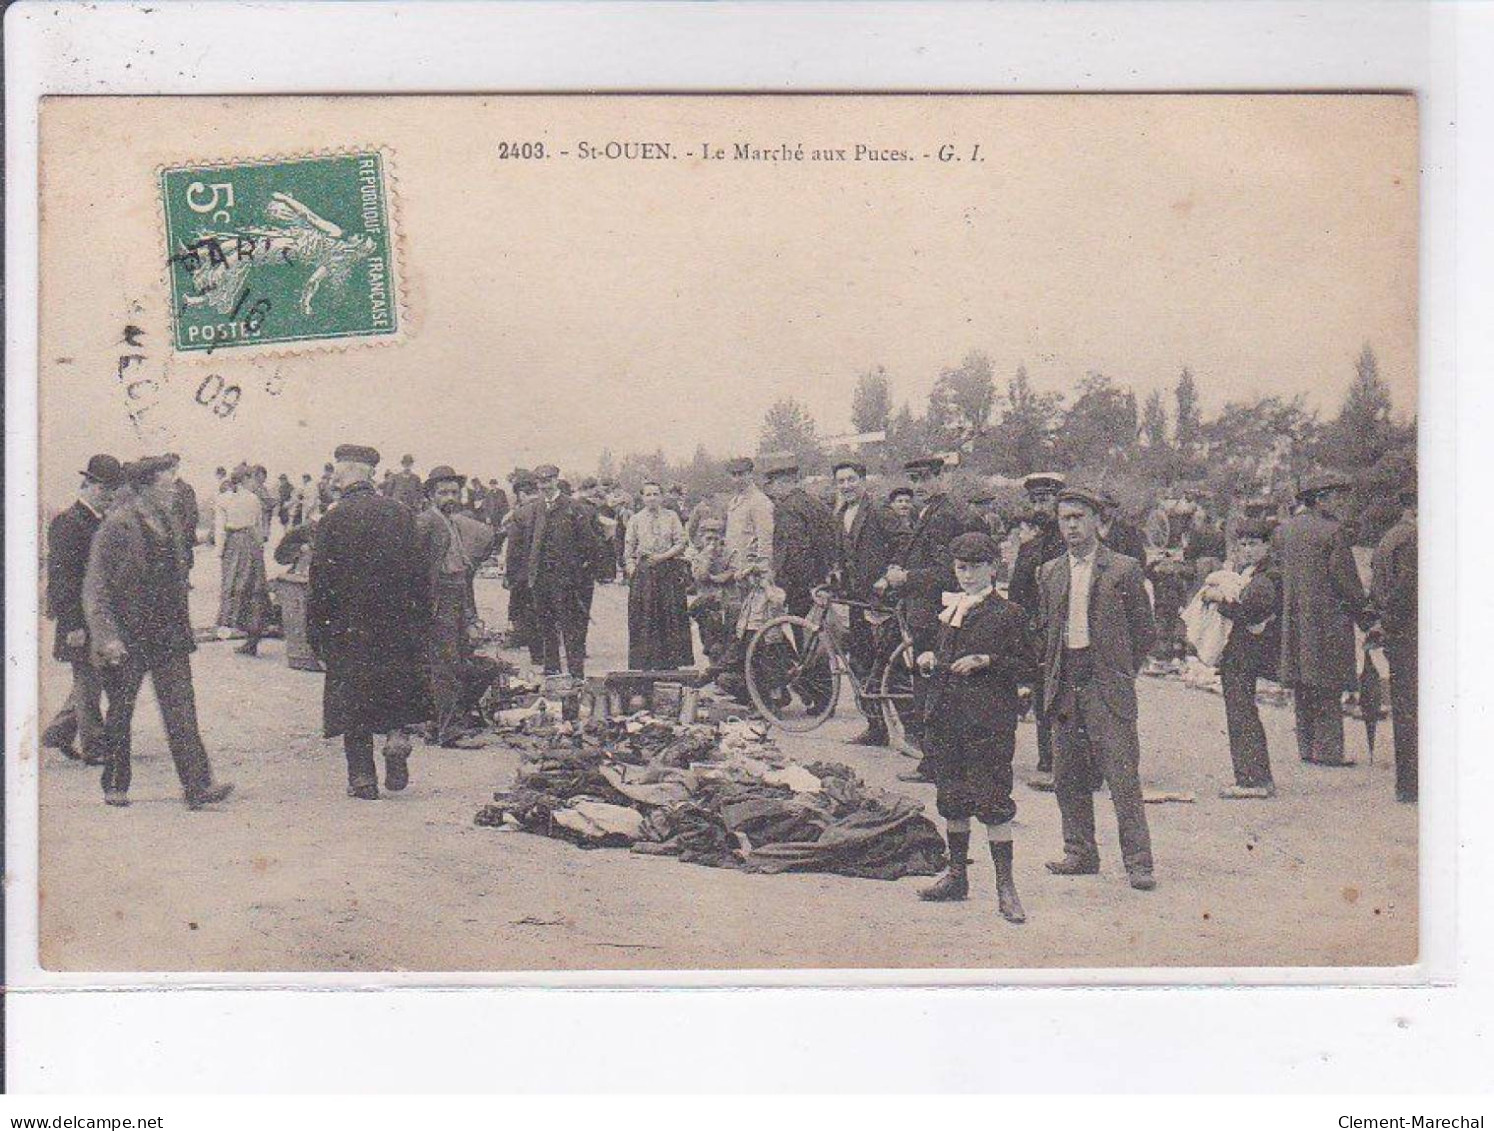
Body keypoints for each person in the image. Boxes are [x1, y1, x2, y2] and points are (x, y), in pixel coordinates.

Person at [83, 456, 234, 810]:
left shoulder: (170, 520)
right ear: (146, 487)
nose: (174, 488)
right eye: (168, 482)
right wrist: (107, 637)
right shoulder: (116, 525)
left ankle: (198, 786)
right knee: (121, 710)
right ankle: (115, 783)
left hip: (168, 633)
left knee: (182, 710)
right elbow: (96, 587)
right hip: (129, 634)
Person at [1037, 486, 1157, 891]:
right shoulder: (1050, 572)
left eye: (1079, 517)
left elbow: (1144, 632)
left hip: (1106, 684)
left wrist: (1120, 671)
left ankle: (1139, 862)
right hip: (1065, 683)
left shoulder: (1123, 569)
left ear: (1097, 521)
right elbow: (1046, 633)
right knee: (1067, 773)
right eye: (1064, 518)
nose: (1071, 526)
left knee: (1122, 775)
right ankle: (1079, 853)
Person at [915, 532, 1036, 921]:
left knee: (993, 801)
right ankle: (956, 876)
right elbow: (940, 652)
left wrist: (987, 659)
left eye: (975, 568)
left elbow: (1027, 665)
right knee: (952, 796)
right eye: (960, 568)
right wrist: (930, 656)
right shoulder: (950, 610)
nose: (966, 576)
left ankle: (1006, 887)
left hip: (987, 721)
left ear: (993, 568)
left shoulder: (1009, 614)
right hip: (948, 717)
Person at [307, 445, 427, 800]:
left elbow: (320, 584)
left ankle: (362, 777)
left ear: (346, 474)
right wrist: (419, 621)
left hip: (348, 625)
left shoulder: (332, 519)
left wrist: (317, 634)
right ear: (371, 474)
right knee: (395, 686)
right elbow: (420, 574)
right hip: (395, 621)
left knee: (352, 698)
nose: (333, 478)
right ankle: (395, 739)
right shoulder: (400, 513)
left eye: (336, 472)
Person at [882, 454, 986, 778]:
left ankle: (935, 764)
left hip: (938, 612)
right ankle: (939, 760)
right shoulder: (930, 511)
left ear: (941, 477)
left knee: (933, 690)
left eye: (925, 479)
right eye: (914, 480)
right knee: (932, 688)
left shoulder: (945, 515)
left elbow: (947, 572)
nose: (919, 486)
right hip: (930, 610)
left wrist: (906, 578)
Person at [1275, 472, 1372, 767]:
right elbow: (1346, 582)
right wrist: (1367, 618)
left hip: (1294, 619)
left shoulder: (1285, 530)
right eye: (1335, 497)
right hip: (1327, 621)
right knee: (1328, 685)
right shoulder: (1332, 532)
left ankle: (1306, 747)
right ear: (1319, 500)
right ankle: (1329, 751)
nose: (1339, 503)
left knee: (1304, 683)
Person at [41, 454, 123, 765]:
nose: (109, 497)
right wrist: (73, 622)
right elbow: (63, 578)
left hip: (98, 615)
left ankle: (59, 731)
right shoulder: (68, 522)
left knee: (95, 677)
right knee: (89, 681)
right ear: (87, 485)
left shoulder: (99, 522)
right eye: (105, 490)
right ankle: (95, 747)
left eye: (113, 492)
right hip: (79, 617)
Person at [1204, 518, 1281, 799]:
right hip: (1241, 650)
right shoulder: (1251, 572)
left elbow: (1250, 611)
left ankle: (1253, 780)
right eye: (1243, 544)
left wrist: (1218, 601)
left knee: (1241, 713)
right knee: (1241, 712)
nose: (1247, 549)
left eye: (1254, 544)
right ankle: (1253, 776)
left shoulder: (1267, 576)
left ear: (1266, 546)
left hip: (1247, 651)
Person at [415, 466, 488, 748]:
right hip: (440, 600)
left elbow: (463, 570)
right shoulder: (426, 522)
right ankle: (450, 731)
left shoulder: (453, 522)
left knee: (455, 662)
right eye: (443, 492)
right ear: (431, 495)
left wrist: (470, 613)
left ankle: (438, 724)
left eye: (454, 492)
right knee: (445, 665)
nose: (449, 497)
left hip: (456, 595)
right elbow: (418, 569)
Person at [506, 464, 597, 680]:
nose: (545, 485)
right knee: (546, 629)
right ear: (536, 484)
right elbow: (515, 549)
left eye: (549, 480)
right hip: (540, 580)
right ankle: (552, 674)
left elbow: (590, 546)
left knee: (571, 630)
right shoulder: (527, 512)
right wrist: (517, 578)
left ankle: (576, 676)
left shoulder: (575, 509)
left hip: (567, 582)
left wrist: (580, 574)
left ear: (557, 480)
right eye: (540, 482)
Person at [1007, 472, 1067, 790]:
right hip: (1036, 635)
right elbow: (1017, 594)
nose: (1040, 506)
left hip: (1065, 633)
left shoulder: (1069, 543)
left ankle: (1067, 764)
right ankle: (1047, 761)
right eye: (1035, 501)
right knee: (1044, 698)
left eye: (1045, 499)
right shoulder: (1030, 547)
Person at [830, 459, 894, 743]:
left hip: (882, 598)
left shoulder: (879, 510)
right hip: (857, 599)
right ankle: (876, 728)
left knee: (891, 665)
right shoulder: (840, 514)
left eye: (851, 479)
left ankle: (915, 735)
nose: (846, 486)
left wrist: (889, 575)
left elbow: (904, 543)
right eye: (841, 481)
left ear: (863, 481)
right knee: (860, 662)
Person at [1371, 483, 1417, 803]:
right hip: (1410, 632)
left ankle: (1407, 786)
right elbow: (1406, 586)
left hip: (1396, 632)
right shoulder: (1413, 539)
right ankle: (1413, 786)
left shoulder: (1390, 538)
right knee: (1415, 711)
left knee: (1405, 710)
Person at [624, 480, 694, 670]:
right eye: (648, 495)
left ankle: (670, 663)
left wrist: (663, 557)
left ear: (661, 497)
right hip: (645, 574)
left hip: (668, 571)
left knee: (669, 614)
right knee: (646, 616)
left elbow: (681, 542)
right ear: (642, 498)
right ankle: (646, 662)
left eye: (656, 494)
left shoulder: (671, 517)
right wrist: (632, 568)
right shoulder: (635, 519)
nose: (652, 498)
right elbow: (628, 548)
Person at [718, 456, 775, 687]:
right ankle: (748, 685)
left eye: (742, 474)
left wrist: (758, 568)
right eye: (734, 475)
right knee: (741, 631)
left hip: (755, 577)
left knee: (761, 635)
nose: (738, 479)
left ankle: (770, 692)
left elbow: (765, 539)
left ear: (751, 474)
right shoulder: (735, 502)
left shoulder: (759, 502)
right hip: (738, 576)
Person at [761, 455, 836, 618]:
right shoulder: (815, 503)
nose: (772, 491)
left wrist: (789, 583)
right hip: (821, 579)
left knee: (800, 634)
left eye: (771, 485)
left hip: (800, 586)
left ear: (782, 483)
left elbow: (795, 551)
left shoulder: (786, 508)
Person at [215, 468, 271, 656]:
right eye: (252, 479)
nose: (255, 482)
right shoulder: (253, 499)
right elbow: (258, 527)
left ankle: (238, 630)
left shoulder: (225, 498)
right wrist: (259, 548)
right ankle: (252, 636)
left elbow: (220, 529)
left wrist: (220, 551)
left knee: (235, 586)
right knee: (254, 588)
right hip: (251, 543)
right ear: (244, 479)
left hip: (234, 543)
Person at [502, 472, 542, 664]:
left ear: (522, 494)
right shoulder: (548, 509)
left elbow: (513, 550)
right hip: (548, 574)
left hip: (524, 575)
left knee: (527, 613)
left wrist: (509, 576)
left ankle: (537, 656)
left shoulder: (519, 514)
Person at [687, 517, 735, 664]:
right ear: (701, 539)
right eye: (708, 539)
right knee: (708, 638)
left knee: (728, 638)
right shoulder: (698, 556)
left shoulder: (729, 553)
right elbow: (700, 576)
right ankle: (713, 668)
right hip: (707, 603)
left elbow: (732, 572)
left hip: (727, 600)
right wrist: (707, 556)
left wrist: (715, 578)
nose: (712, 543)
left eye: (716, 538)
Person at [164, 454, 199, 569]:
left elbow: (191, 514)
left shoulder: (184, 488)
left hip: (180, 538)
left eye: (171, 466)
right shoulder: (160, 489)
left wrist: (183, 536)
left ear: (176, 467)